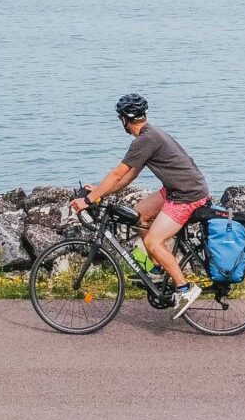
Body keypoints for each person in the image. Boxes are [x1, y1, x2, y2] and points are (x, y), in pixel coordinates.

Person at [70, 93, 212, 317]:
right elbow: (127, 178)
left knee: (155, 242)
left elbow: (119, 172)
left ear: (124, 119)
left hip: (187, 195)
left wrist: (87, 200)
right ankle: (156, 270)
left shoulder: (145, 140)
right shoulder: (150, 135)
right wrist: (98, 192)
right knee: (138, 216)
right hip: (175, 189)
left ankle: (184, 289)